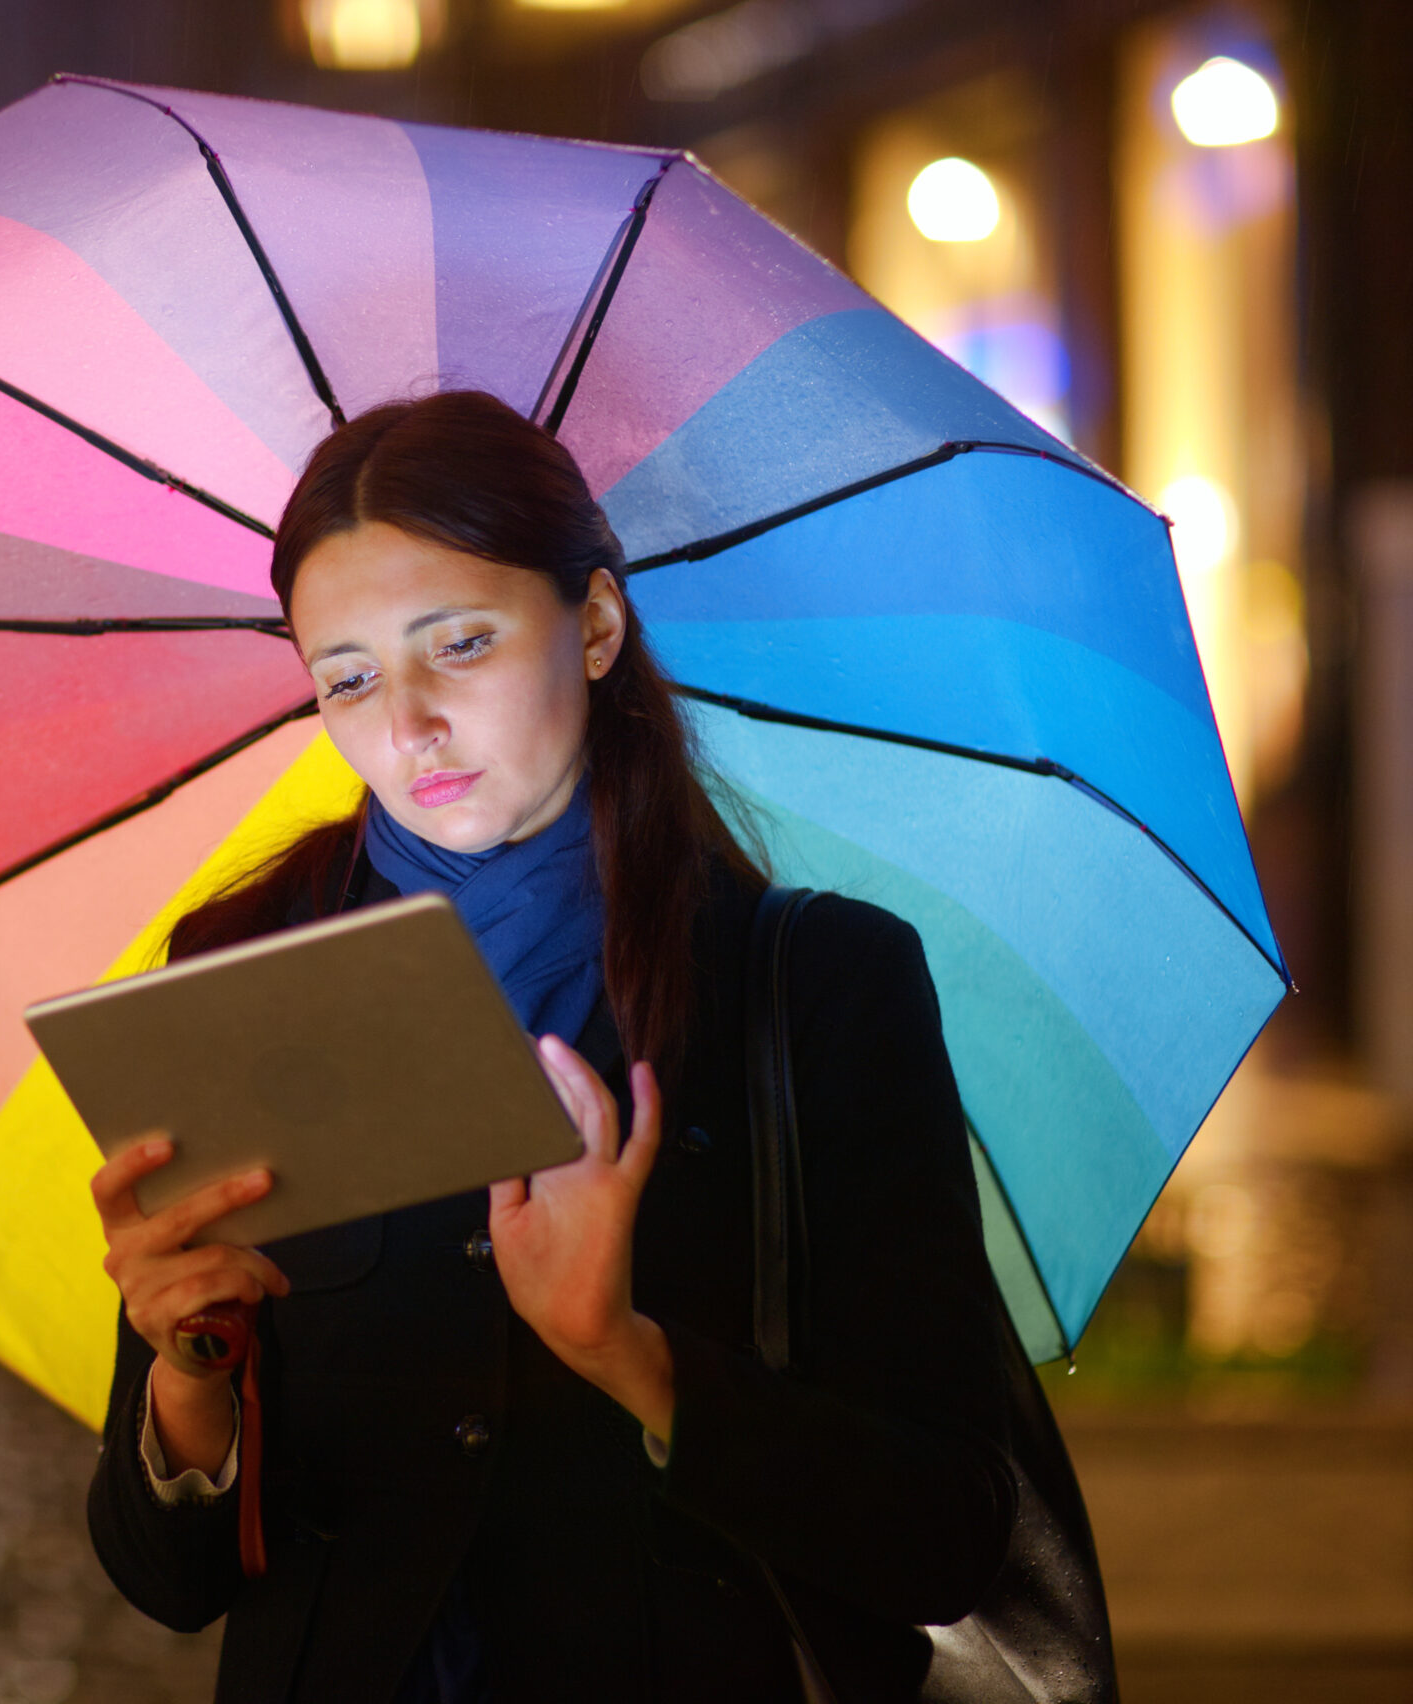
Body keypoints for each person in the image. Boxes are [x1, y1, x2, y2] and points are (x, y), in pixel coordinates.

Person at [84, 391, 1020, 1702]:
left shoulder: (813, 982)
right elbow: (168, 1581)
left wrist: (624, 1353)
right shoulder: (244, 962)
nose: (404, 725)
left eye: (458, 644)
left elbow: (948, 1538)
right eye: (346, 676)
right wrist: (188, 1370)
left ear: (592, 623)